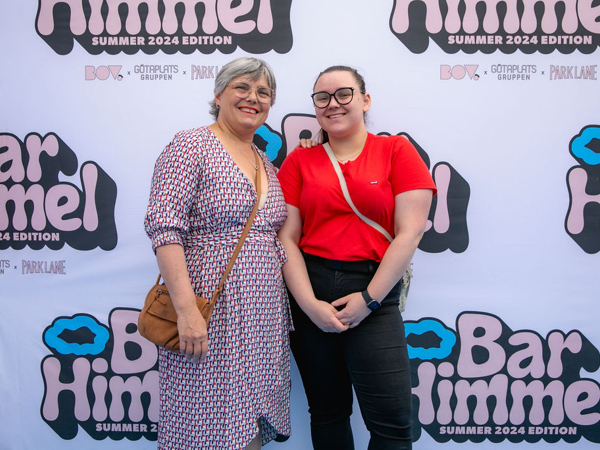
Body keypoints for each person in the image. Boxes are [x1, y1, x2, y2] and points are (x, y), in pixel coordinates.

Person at [277, 65, 437, 449]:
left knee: (393, 424)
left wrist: (369, 300)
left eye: (343, 94)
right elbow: (286, 238)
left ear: (364, 100)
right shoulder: (299, 161)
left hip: (374, 291)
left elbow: (411, 232)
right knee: (328, 413)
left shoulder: (396, 151)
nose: (332, 104)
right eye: (322, 98)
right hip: (310, 292)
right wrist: (310, 306)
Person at [144, 57, 291, 450]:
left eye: (263, 92)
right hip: (209, 313)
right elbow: (164, 228)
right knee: (205, 423)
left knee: (249, 424)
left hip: (262, 321)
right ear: (218, 95)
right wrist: (187, 310)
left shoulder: (265, 163)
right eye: (242, 87)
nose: (253, 97)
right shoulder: (191, 145)